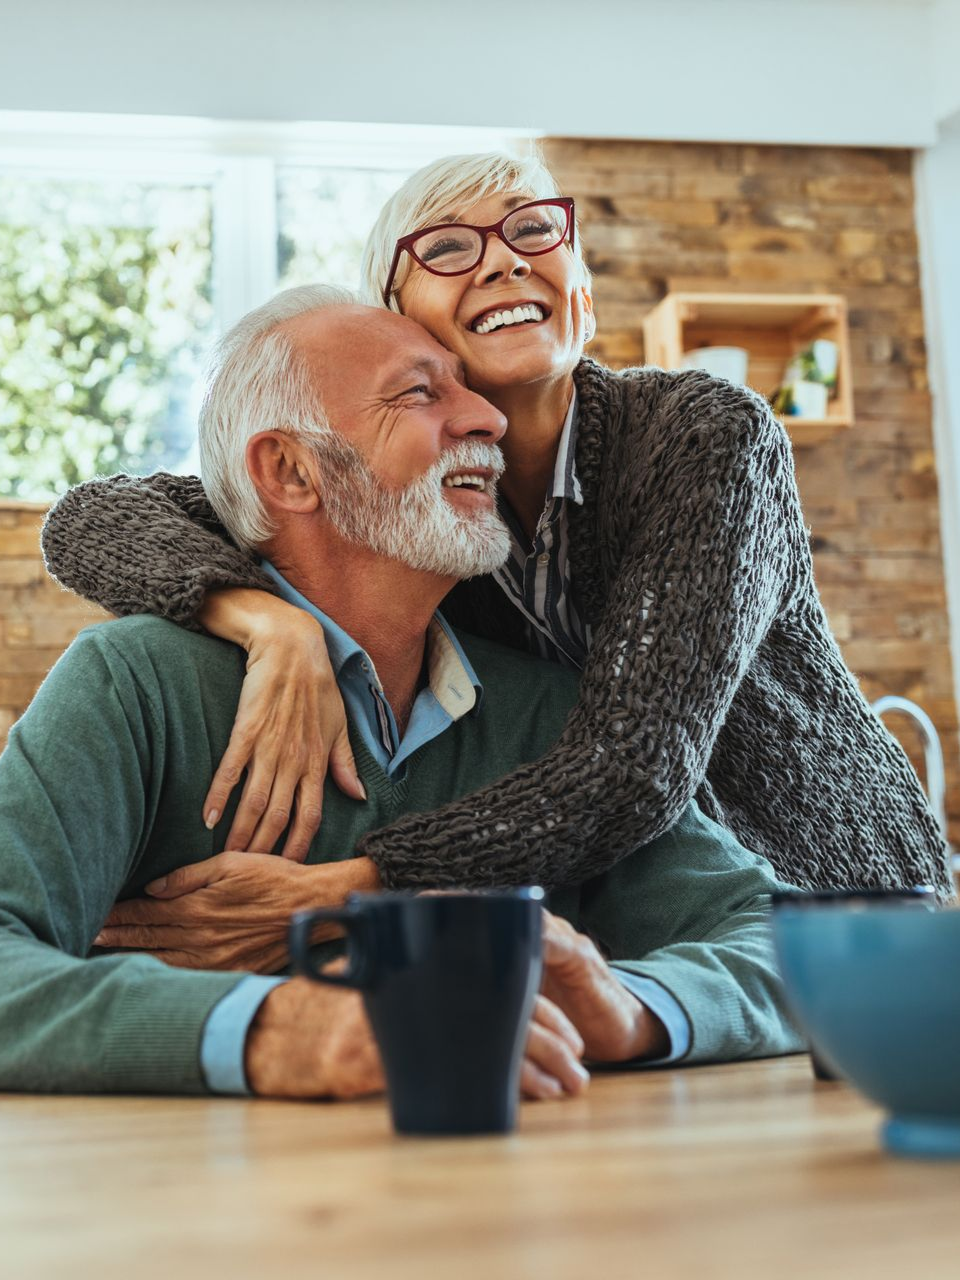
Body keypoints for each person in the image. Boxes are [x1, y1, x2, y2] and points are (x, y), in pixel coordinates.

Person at [41, 151, 953, 906]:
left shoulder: (704, 436)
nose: (503, 260)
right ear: (400, 326)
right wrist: (265, 619)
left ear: (583, 297)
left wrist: (349, 887)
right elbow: (95, 516)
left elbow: (633, 766)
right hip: (646, 915)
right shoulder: (415, 508)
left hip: (835, 899)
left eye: (531, 229)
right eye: (445, 246)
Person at [0, 286, 803, 1100]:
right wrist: (276, 1028)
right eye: (421, 392)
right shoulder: (133, 687)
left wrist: (631, 1009)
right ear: (289, 470)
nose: (486, 419)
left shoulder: (548, 712)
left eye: (469, 388)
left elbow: (787, 941)